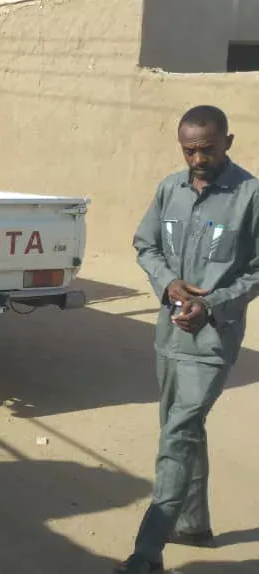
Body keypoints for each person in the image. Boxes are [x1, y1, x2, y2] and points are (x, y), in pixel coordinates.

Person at [117, 105, 259, 573]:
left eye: (208, 149)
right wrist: (168, 284)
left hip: (214, 339)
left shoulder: (250, 195)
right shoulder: (168, 189)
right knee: (181, 430)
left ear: (228, 142)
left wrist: (213, 302)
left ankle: (147, 553)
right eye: (189, 150)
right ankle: (194, 525)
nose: (198, 159)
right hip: (168, 335)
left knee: (177, 434)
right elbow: (147, 244)